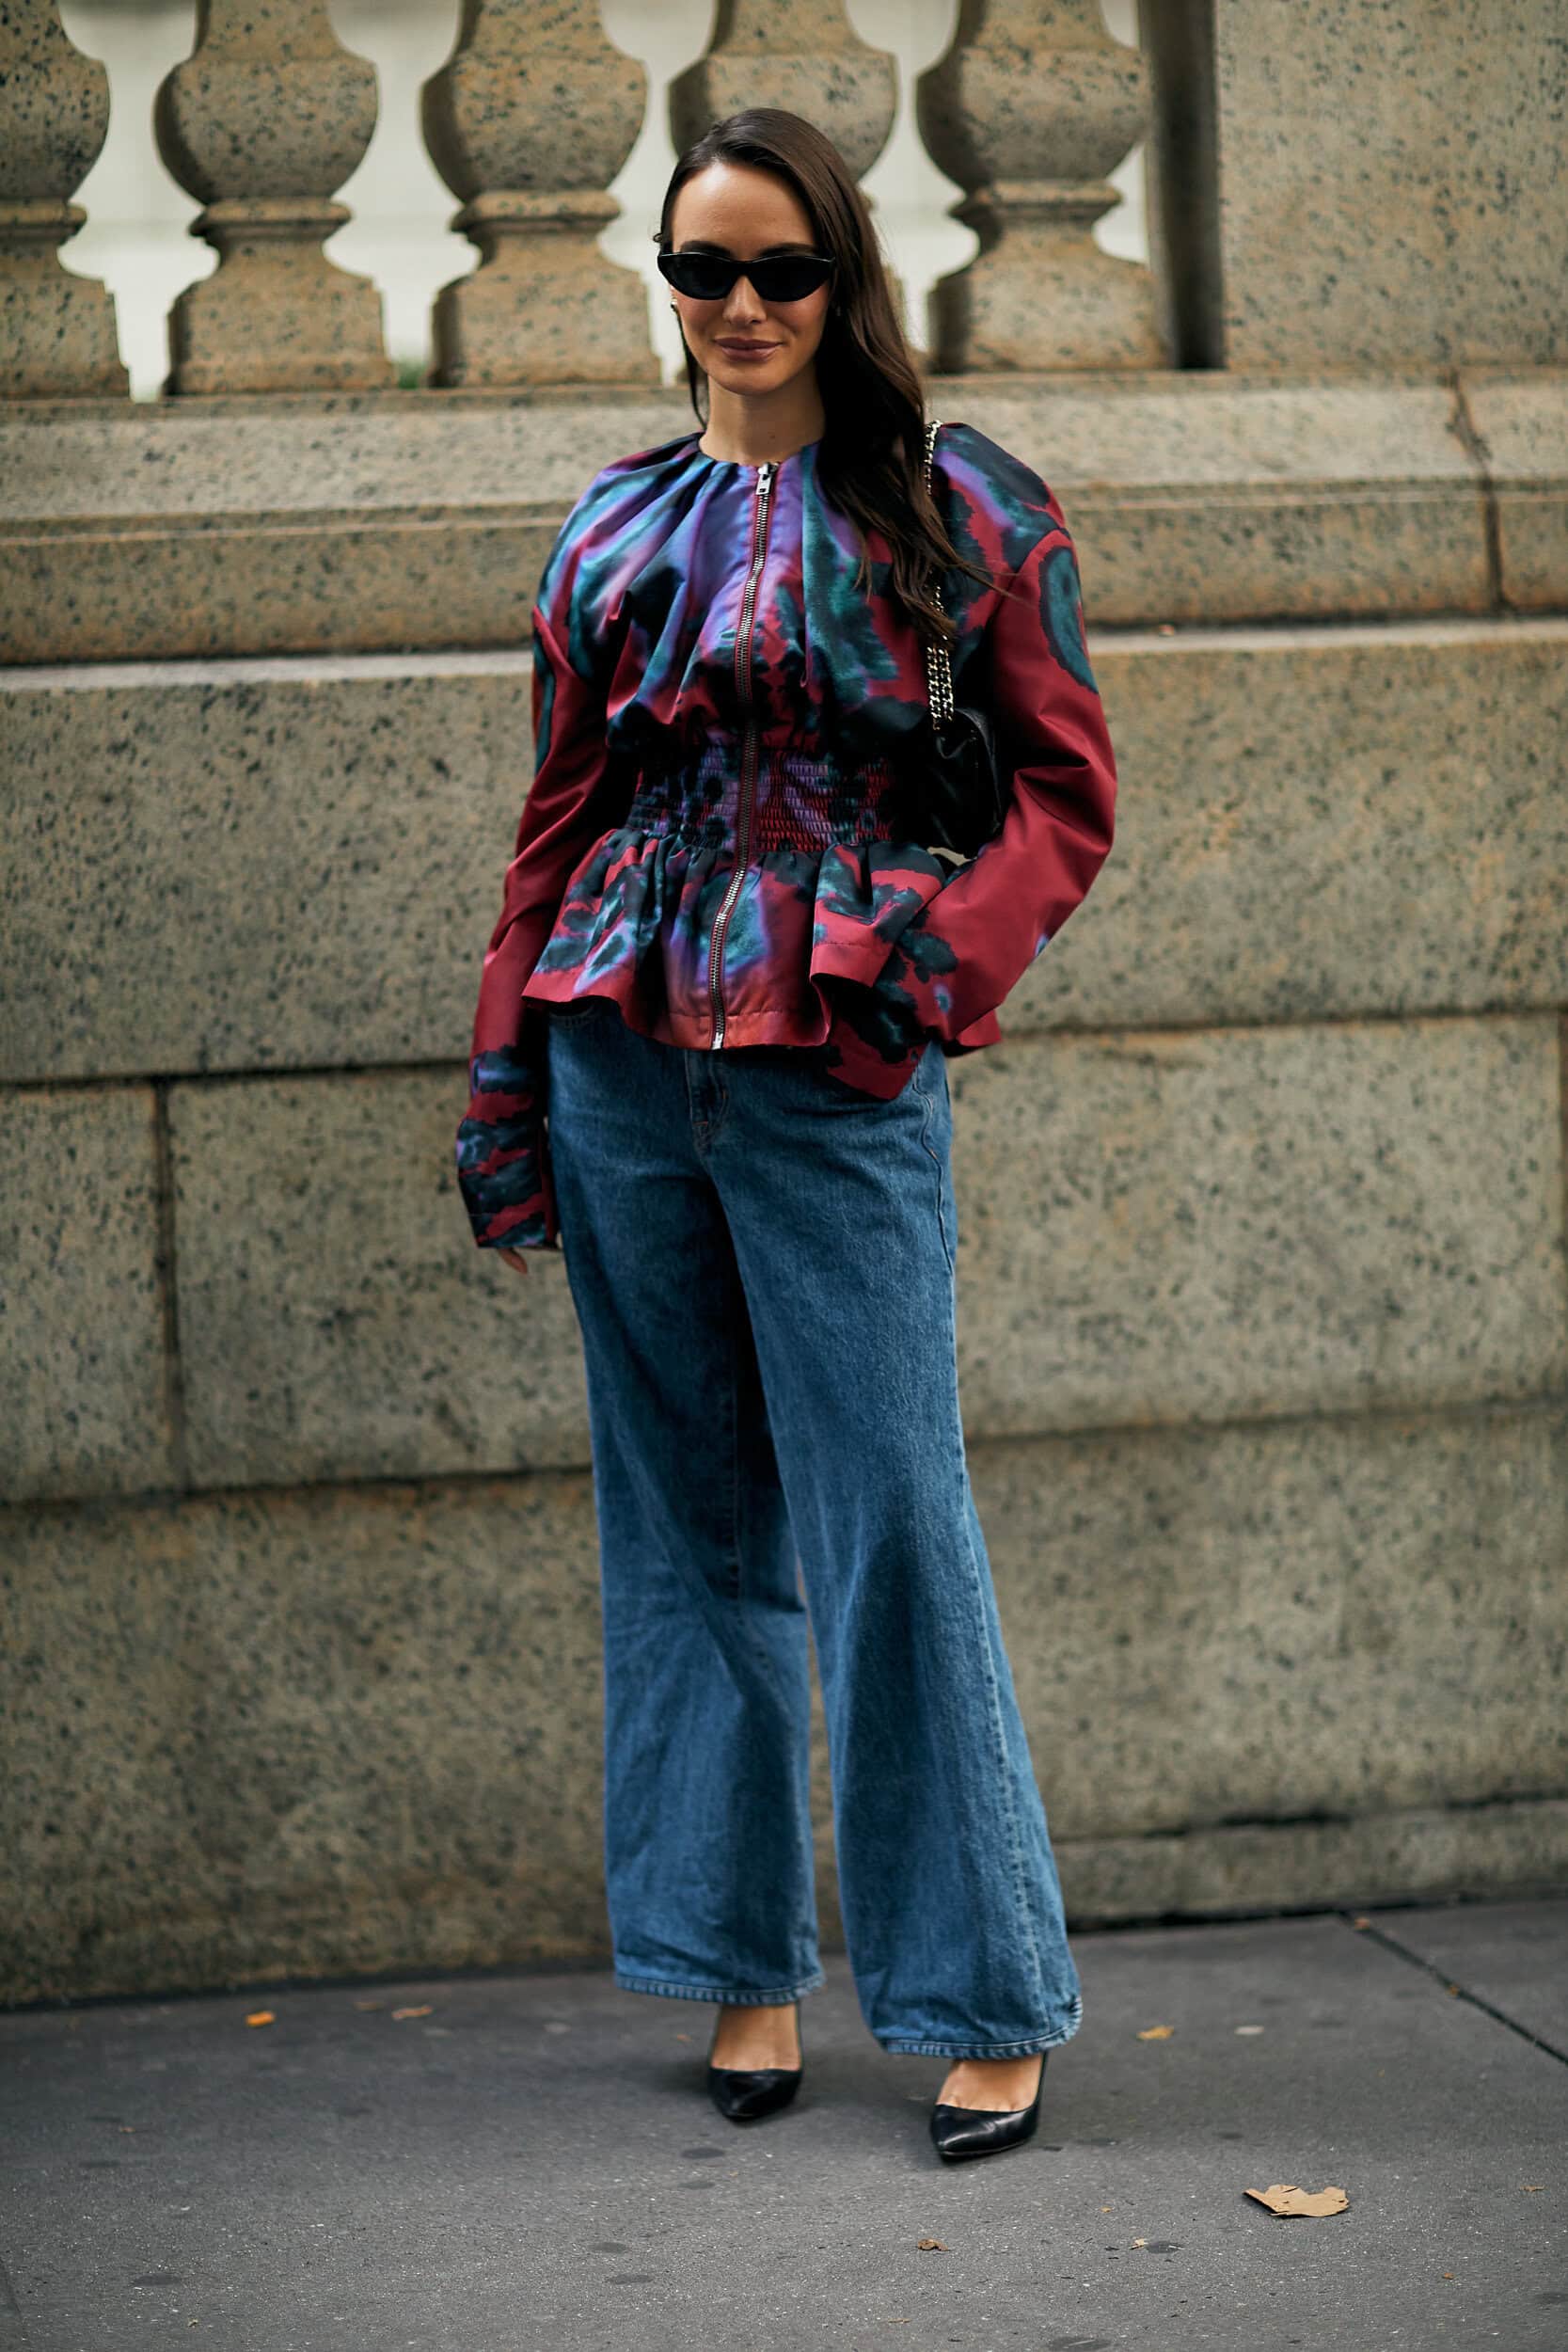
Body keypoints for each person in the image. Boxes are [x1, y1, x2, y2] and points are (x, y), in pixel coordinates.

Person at [454, 106, 1118, 2165]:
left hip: (837, 1062)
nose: (739, 305)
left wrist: (925, 970)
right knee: (687, 1526)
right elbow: (558, 819)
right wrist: (504, 1076)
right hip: (619, 1055)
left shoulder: (961, 507)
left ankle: (981, 1995)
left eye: (779, 269)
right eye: (701, 269)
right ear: (665, 283)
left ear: (841, 276)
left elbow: (1065, 793)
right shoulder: (612, 529)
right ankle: (740, 1964)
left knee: (893, 1510)